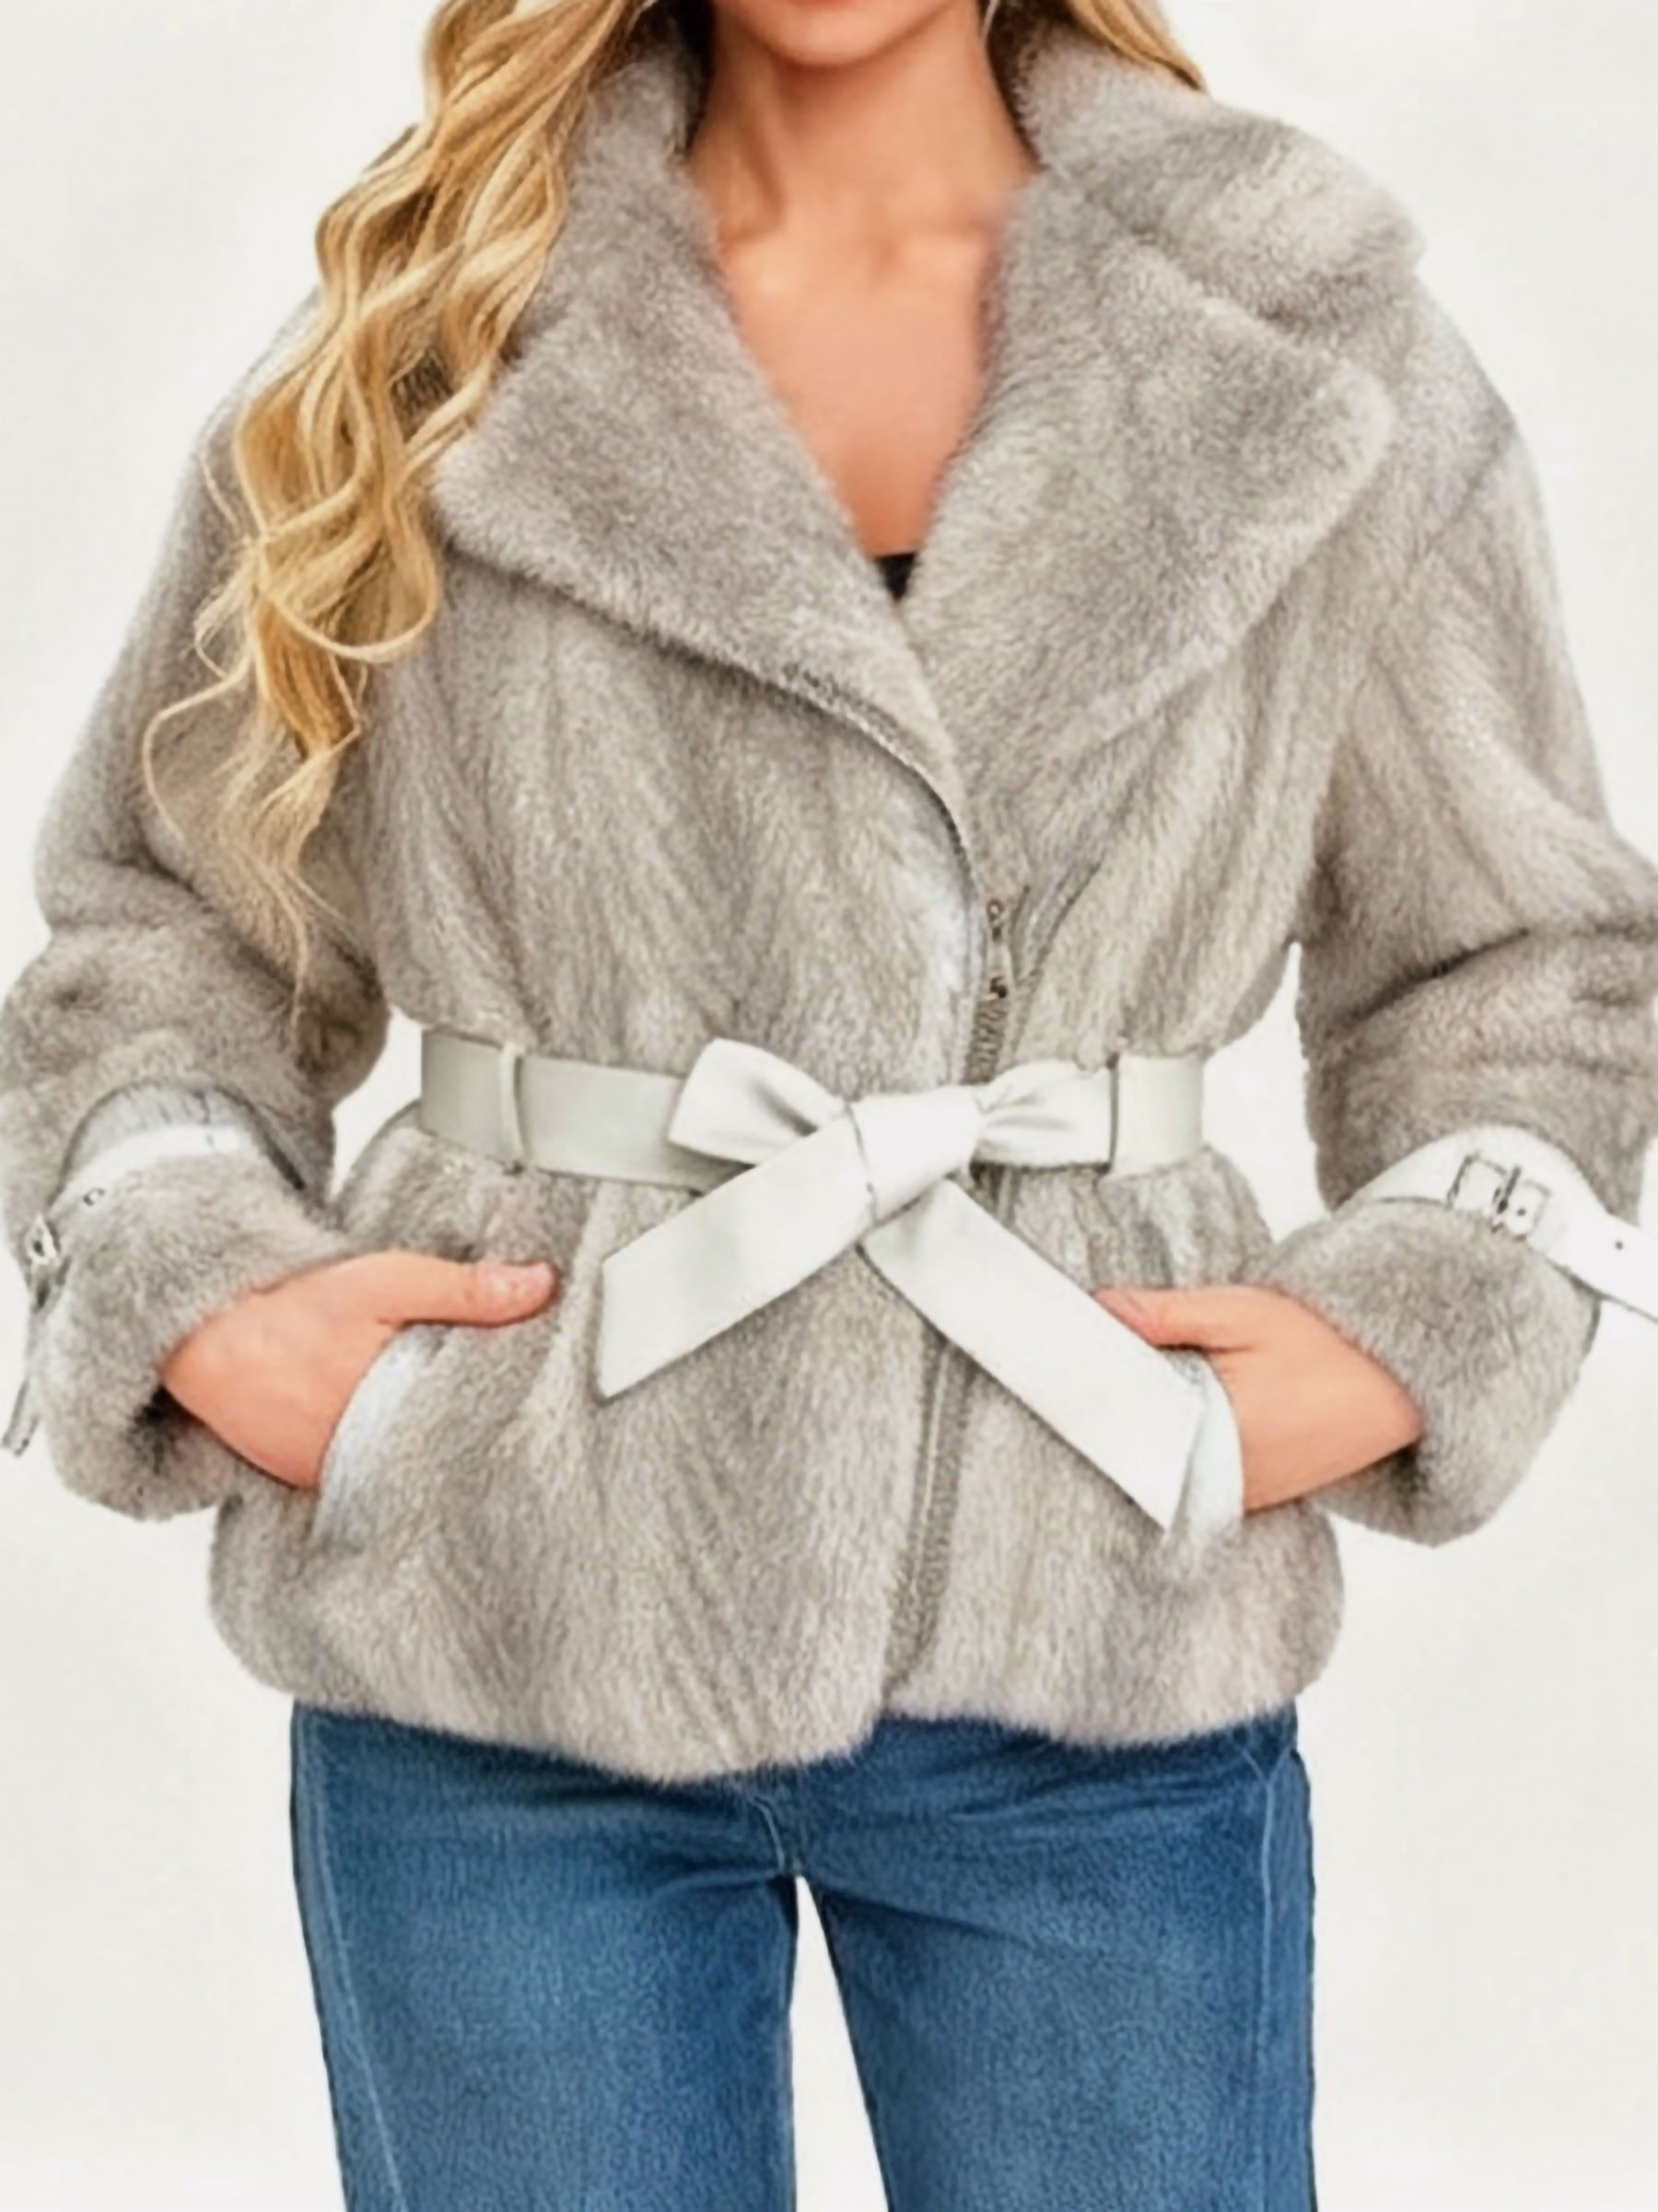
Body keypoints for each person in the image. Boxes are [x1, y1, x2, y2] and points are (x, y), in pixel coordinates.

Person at [5, 0, 1658, 2204]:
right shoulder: (430, 331)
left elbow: (1528, 959)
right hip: (509, 1596)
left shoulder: (1306, 342)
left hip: (1090, 1593)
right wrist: (204, 1291)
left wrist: (1409, 1328)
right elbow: (160, 923)